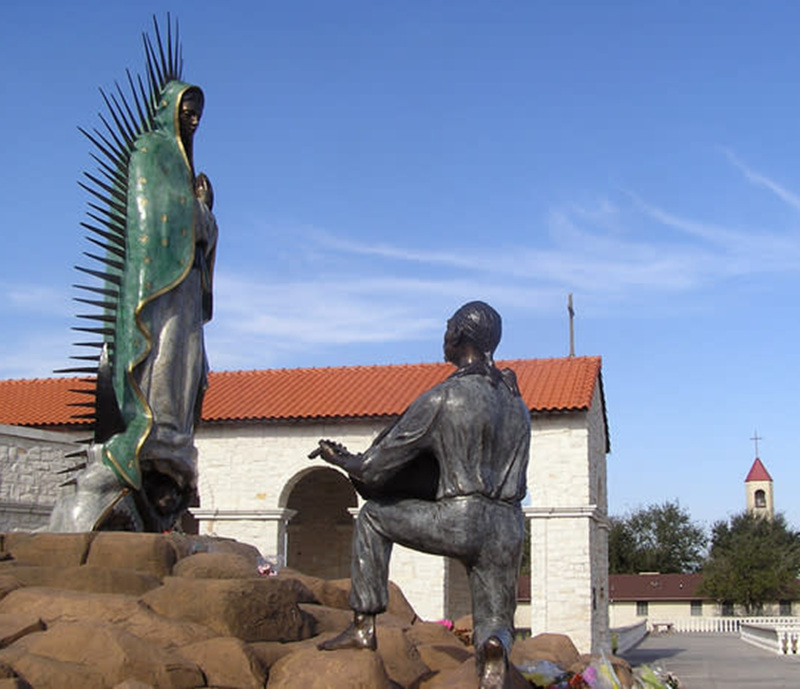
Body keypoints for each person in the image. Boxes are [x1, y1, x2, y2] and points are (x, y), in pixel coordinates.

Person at [310, 301, 531, 689]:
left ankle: (363, 627)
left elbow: (377, 467)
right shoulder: (517, 404)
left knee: (372, 517)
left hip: (460, 517)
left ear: (459, 336)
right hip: (508, 524)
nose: (444, 335)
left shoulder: (443, 398)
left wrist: (341, 460)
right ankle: (493, 651)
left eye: (448, 328)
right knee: (496, 615)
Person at [49, 73, 217, 533]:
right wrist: (195, 210)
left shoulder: (183, 167)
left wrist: (204, 212)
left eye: (199, 113)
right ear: (171, 110)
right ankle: (150, 433)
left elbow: (198, 226)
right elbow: (152, 214)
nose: (195, 120)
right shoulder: (150, 152)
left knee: (185, 365)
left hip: (185, 287)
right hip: (157, 285)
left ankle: (173, 437)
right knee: (159, 357)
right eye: (188, 110)